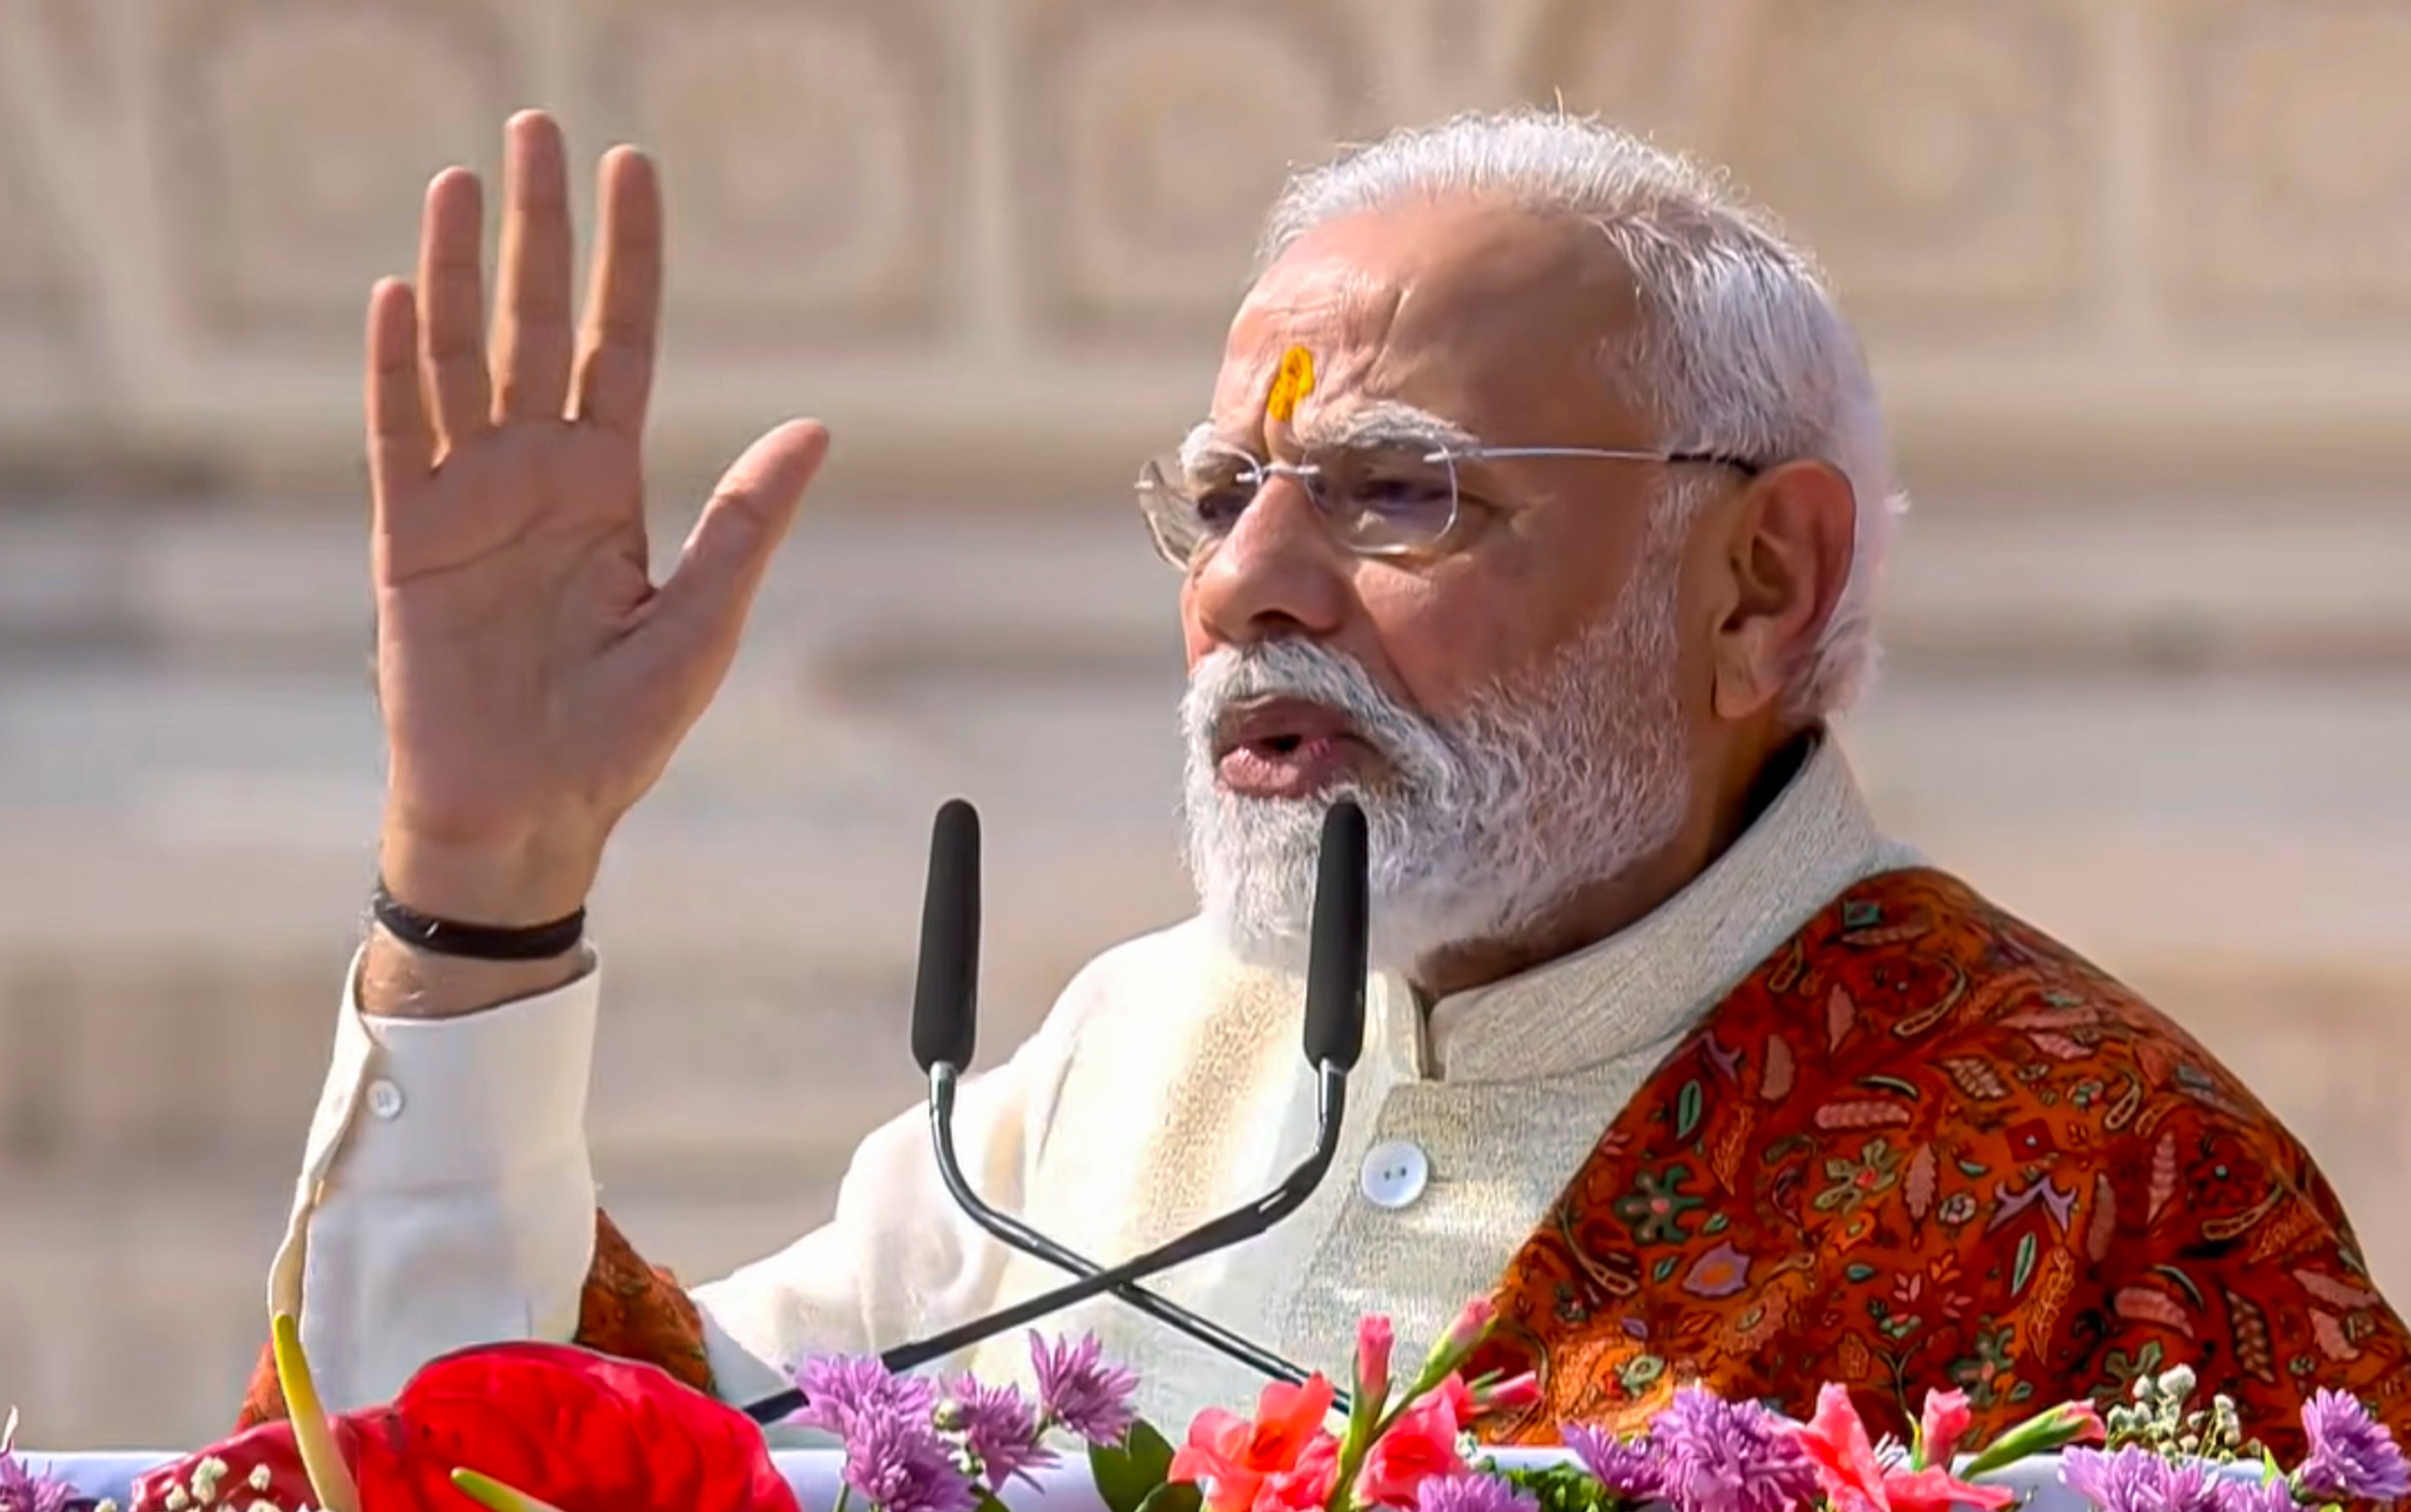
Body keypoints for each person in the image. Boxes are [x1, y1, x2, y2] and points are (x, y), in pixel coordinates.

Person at [247, 106, 2411, 1450]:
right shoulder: (1109, 1075)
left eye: (1395, 490)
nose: (1248, 587)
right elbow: (514, 1461)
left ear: (1760, 580)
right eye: (1216, 497)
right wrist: (484, 883)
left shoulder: (2100, 1177)